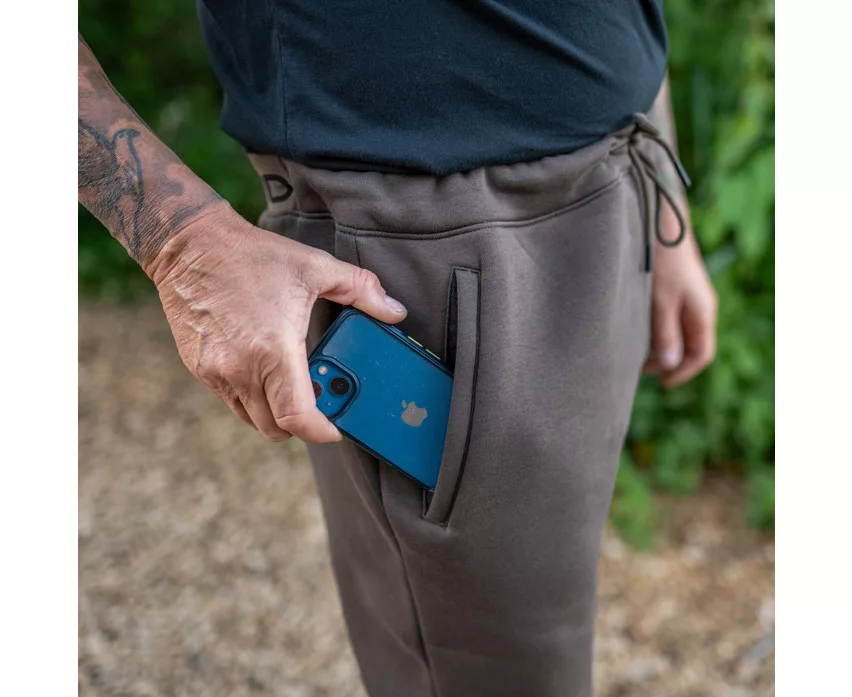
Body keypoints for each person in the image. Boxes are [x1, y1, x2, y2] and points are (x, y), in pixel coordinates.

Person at [78, 1, 717, 694]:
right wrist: (181, 243)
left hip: (617, 180)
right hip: (431, 248)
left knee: (550, 626)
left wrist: (663, 202)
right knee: (502, 671)